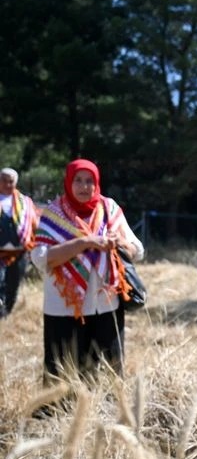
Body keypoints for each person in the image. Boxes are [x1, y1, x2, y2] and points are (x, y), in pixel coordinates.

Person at [30, 159, 144, 381]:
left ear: (97, 183)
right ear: (68, 182)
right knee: (61, 373)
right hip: (64, 308)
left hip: (106, 304)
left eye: (89, 181)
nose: (84, 187)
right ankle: (60, 415)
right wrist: (84, 243)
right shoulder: (53, 214)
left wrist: (118, 242)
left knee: (108, 374)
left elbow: (137, 250)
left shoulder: (109, 208)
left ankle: (104, 414)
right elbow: (40, 257)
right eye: (78, 180)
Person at [0, 167, 39, 318]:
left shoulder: (26, 202)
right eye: (4, 181)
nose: (7, 184)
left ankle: (6, 313)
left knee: (13, 285)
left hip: (19, 252)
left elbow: (35, 225)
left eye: (11, 182)